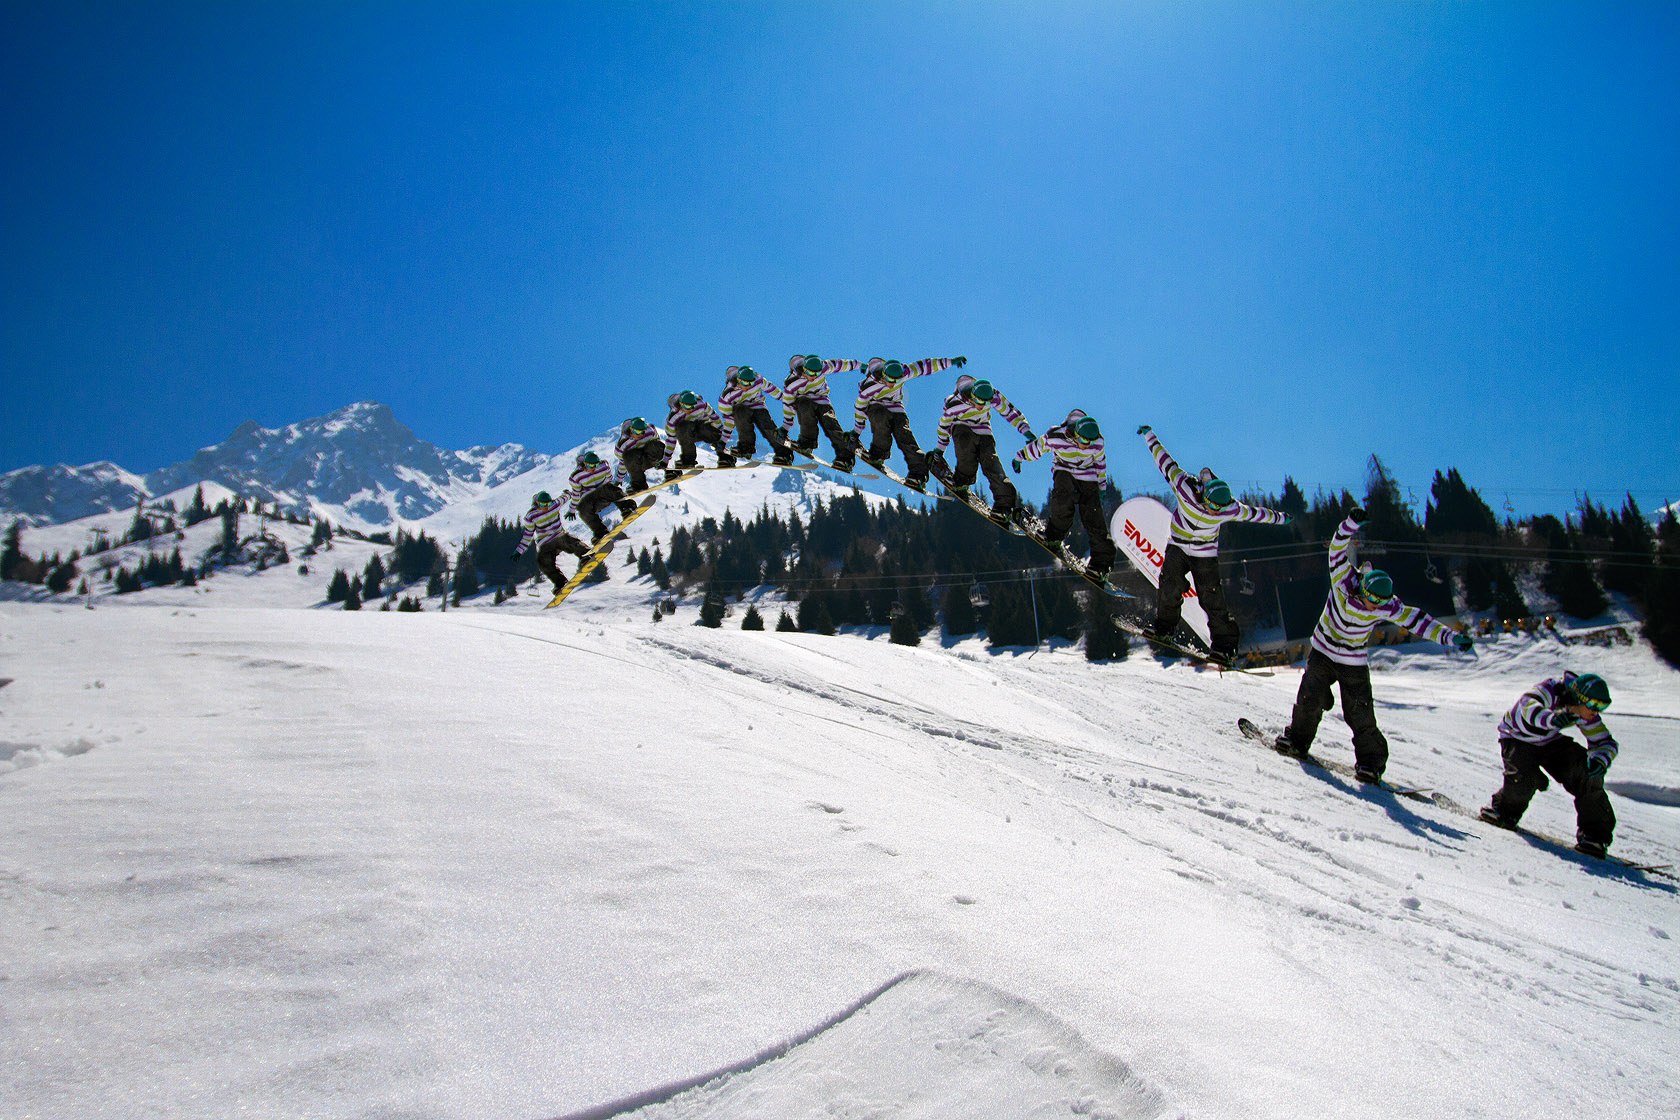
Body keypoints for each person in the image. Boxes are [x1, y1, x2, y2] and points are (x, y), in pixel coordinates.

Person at [1273, 508, 1473, 782]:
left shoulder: (1388, 606)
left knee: (1360, 714)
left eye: (1381, 603)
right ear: (1363, 589)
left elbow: (1419, 621)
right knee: (1309, 698)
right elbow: (1336, 549)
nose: (1375, 607)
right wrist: (1350, 523)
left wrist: (1452, 637)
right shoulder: (1343, 579)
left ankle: (1371, 764)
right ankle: (1297, 741)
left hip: (1353, 662)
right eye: (1373, 601)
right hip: (1323, 651)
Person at [1138, 424, 1291, 659]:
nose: (1215, 512)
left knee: (1211, 598)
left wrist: (1281, 518)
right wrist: (1149, 436)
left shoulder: (1230, 508)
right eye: (1212, 507)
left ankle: (1225, 646)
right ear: (1204, 496)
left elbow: (1257, 514)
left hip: (1205, 554)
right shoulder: (1185, 487)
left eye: (1219, 509)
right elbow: (1165, 462)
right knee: (1170, 583)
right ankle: (1164, 628)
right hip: (1178, 546)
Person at [1479, 672, 1618, 857]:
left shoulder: (1586, 714)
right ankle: (1504, 811)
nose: (1596, 711)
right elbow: (1527, 707)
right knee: (1524, 780)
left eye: (1602, 706)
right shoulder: (1550, 690)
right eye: (1594, 704)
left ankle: (1594, 836)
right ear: (1580, 698)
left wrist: (1600, 760)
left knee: (1586, 773)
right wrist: (1551, 718)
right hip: (1516, 738)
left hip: (1549, 741)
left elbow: (1605, 742)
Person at [1011, 410, 1115, 579]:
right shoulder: (1055, 436)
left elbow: (1100, 464)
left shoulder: (1097, 442)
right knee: (1063, 501)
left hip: (1087, 476)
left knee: (1094, 518)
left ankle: (1101, 565)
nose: (1086, 445)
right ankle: (1054, 535)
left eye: (1090, 442)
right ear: (1076, 434)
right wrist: (1019, 457)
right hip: (1064, 470)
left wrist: (1102, 487)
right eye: (1083, 440)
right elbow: (1038, 447)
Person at [929, 374, 1036, 523]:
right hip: (962, 428)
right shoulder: (954, 403)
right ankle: (963, 478)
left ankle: (1004, 505)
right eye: (979, 401)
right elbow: (944, 426)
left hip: (983, 430)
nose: (982, 405)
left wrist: (1025, 430)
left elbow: (1010, 411)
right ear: (972, 396)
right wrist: (940, 449)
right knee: (966, 450)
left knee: (992, 464)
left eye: (987, 403)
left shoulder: (993, 396)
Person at [851, 355, 963, 490]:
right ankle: (878, 454)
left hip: (896, 408)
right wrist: (857, 430)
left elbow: (926, 365)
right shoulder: (869, 385)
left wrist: (951, 362)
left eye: (896, 380)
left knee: (905, 437)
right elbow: (860, 406)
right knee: (881, 421)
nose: (892, 384)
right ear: (882, 375)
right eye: (889, 380)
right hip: (875, 407)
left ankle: (918, 475)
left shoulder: (905, 372)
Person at [782, 353, 863, 471]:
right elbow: (788, 404)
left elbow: (842, 364)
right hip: (804, 403)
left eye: (817, 373)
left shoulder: (824, 366)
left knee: (830, 424)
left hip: (823, 402)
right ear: (802, 369)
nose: (814, 377)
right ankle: (807, 443)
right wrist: (786, 427)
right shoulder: (791, 382)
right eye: (810, 373)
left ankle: (846, 458)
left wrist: (862, 366)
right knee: (806, 411)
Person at [514, 490, 592, 594]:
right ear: (537, 503)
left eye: (548, 504)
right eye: (543, 505)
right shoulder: (531, 517)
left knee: (568, 541)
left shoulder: (555, 504)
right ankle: (561, 582)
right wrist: (519, 550)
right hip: (546, 543)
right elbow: (528, 535)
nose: (546, 507)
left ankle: (586, 554)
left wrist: (569, 493)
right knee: (543, 562)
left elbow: (565, 497)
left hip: (558, 536)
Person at [718, 366, 793, 465]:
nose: (748, 386)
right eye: (745, 383)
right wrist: (723, 441)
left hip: (758, 406)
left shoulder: (758, 380)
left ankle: (784, 454)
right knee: (740, 414)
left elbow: (772, 390)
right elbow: (729, 421)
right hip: (742, 411)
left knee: (767, 426)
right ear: (738, 380)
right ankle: (746, 448)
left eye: (751, 383)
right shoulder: (727, 397)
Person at [561, 450, 638, 543]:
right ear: (585, 464)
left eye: (596, 465)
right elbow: (576, 494)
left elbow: (609, 478)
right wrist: (572, 510)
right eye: (590, 466)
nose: (593, 468)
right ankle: (600, 532)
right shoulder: (576, 476)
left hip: (604, 495)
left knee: (607, 487)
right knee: (582, 509)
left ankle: (627, 507)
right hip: (592, 501)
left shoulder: (604, 466)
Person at [665, 390, 735, 474]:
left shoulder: (701, 404)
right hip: (687, 435)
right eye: (687, 407)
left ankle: (725, 458)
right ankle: (688, 460)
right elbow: (671, 439)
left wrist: (721, 435)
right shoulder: (673, 418)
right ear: (681, 404)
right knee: (683, 427)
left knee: (706, 428)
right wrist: (665, 460)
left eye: (692, 406)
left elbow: (714, 417)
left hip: (704, 429)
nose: (690, 409)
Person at [615, 416, 669, 492]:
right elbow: (623, 463)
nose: (640, 435)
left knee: (655, 444)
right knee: (630, 456)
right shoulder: (622, 445)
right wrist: (619, 479)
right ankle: (639, 484)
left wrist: (662, 460)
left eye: (642, 432)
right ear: (631, 430)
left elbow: (659, 444)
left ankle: (670, 471)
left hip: (651, 457)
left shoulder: (650, 431)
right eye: (637, 432)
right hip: (638, 464)